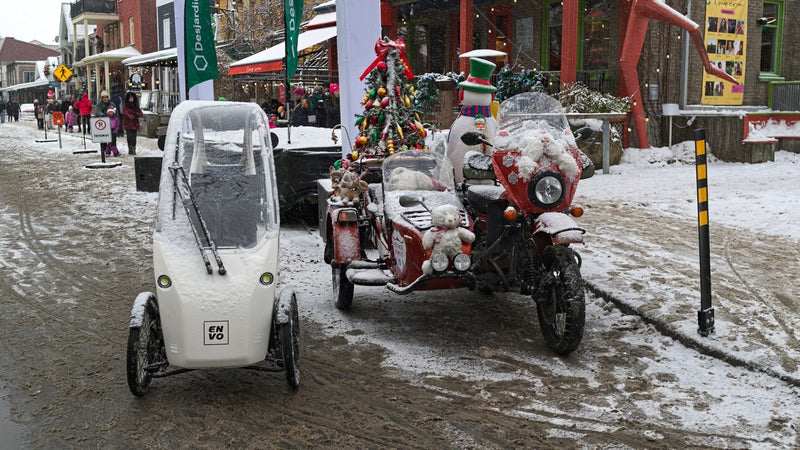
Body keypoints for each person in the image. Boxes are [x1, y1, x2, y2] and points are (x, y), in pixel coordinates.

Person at [94, 91, 115, 155]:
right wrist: (103, 116)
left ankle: (114, 150)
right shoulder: (99, 105)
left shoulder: (112, 104)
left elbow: (115, 112)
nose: (105, 99)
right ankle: (105, 150)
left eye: (106, 97)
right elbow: (98, 111)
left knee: (112, 138)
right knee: (103, 138)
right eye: (104, 98)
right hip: (103, 124)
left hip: (111, 123)